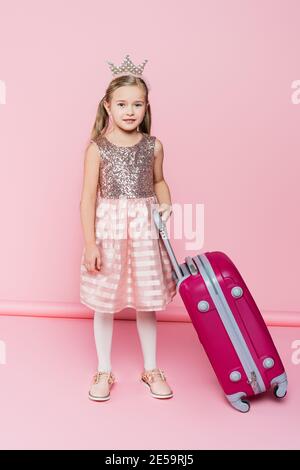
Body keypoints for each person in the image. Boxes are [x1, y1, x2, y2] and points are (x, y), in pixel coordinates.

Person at [79, 54, 177, 401]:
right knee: (104, 302)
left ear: (146, 106)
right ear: (108, 106)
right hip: (109, 233)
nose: (130, 111)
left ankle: (151, 368)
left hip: (143, 233)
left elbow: (160, 181)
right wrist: (91, 244)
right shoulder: (98, 149)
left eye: (137, 104)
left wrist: (165, 203)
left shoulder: (153, 145)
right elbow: (88, 199)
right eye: (122, 104)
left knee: (146, 302)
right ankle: (104, 369)